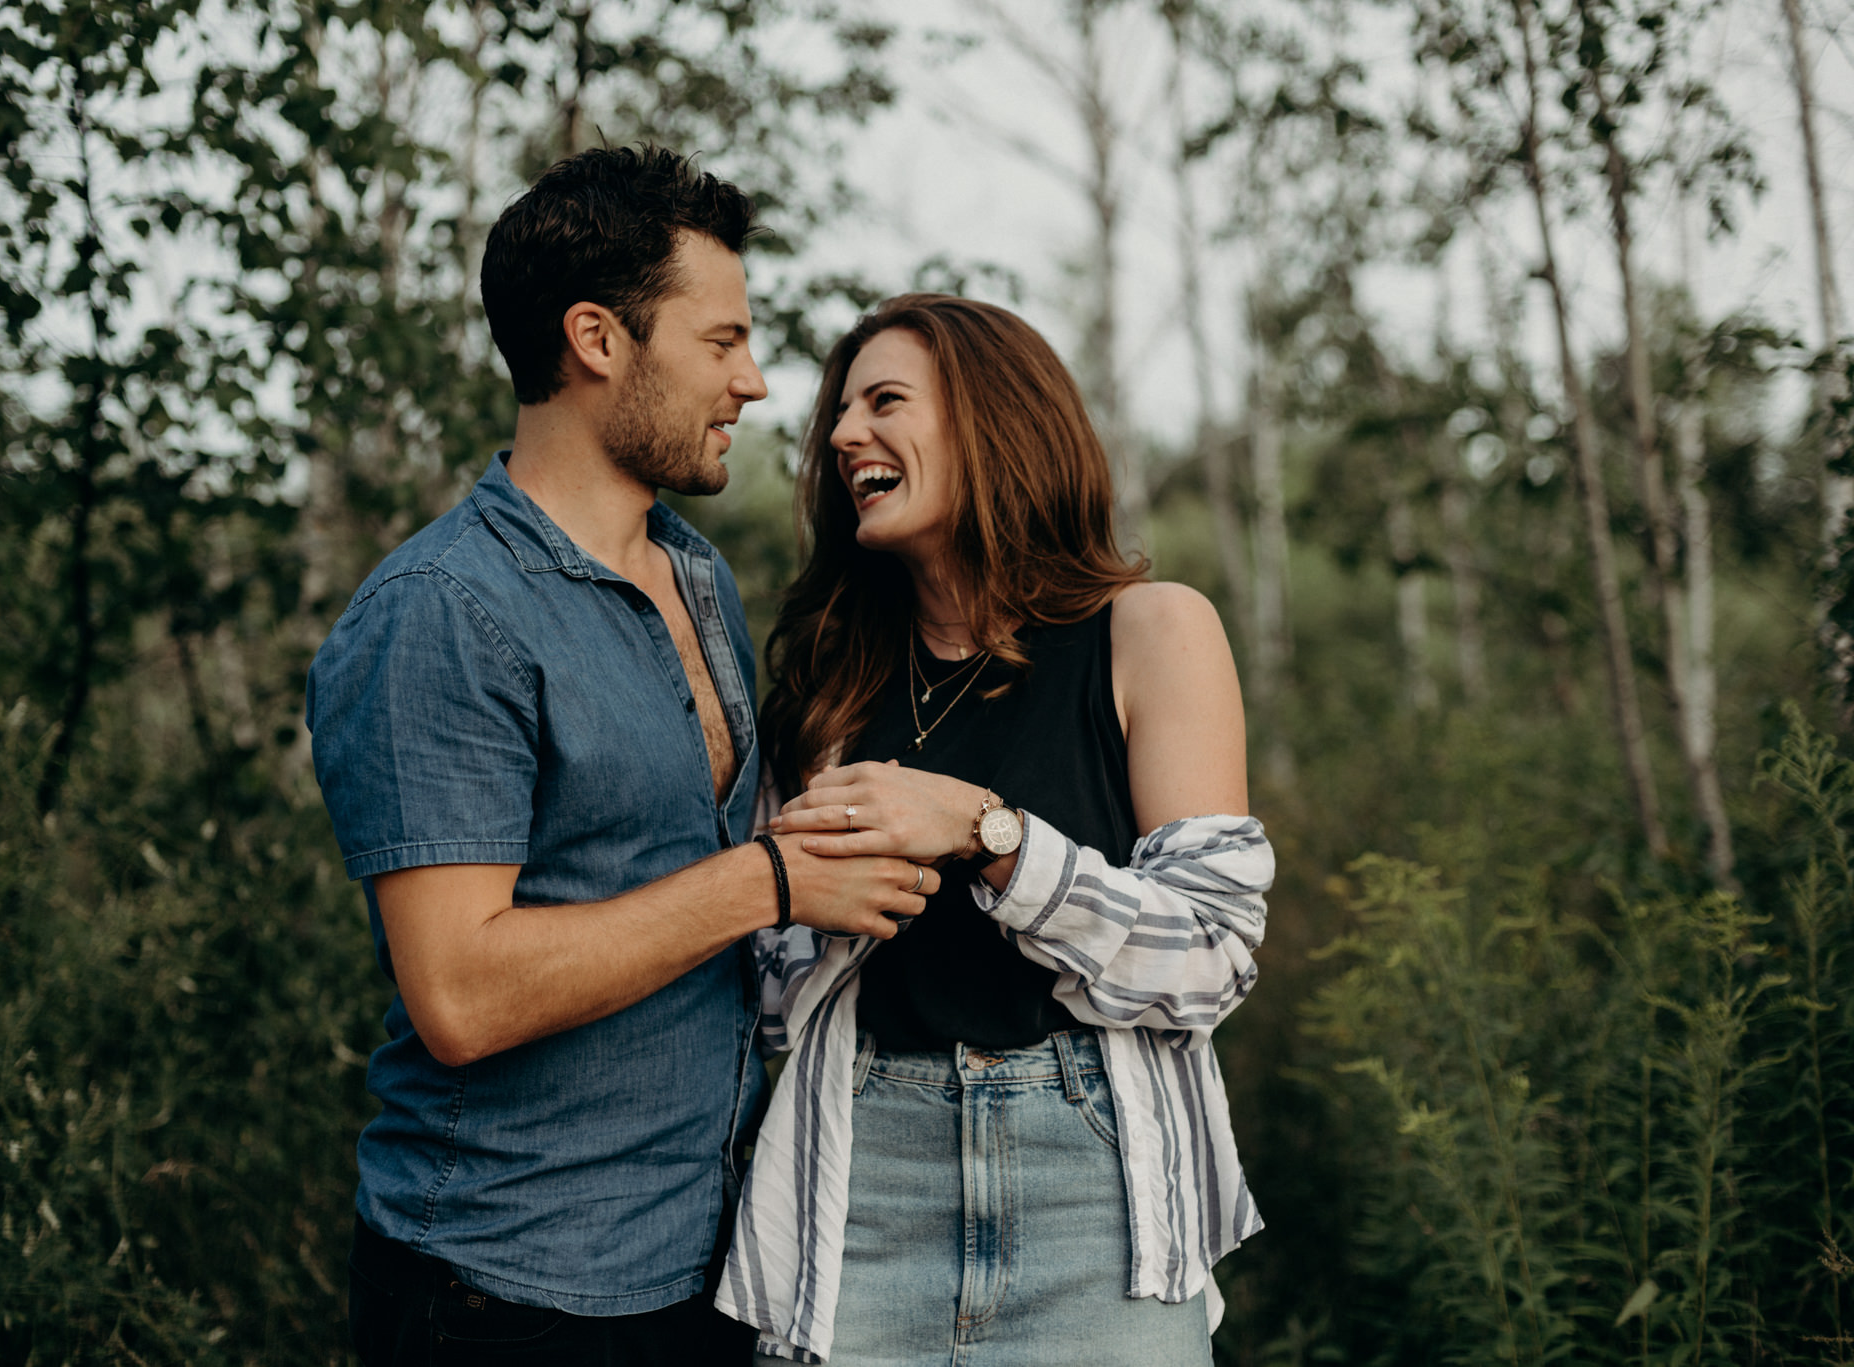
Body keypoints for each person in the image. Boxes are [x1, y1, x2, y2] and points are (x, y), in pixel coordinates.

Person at [305, 146, 935, 1367]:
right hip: (503, 1289)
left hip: (694, 1269)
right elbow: (461, 994)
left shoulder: (696, 574)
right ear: (597, 338)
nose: (752, 381)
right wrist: (768, 879)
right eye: (720, 341)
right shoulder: (443, 610)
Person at [713, 295, 1275, 1365]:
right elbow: (775, 989)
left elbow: (1208, 958)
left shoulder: (1150, 632)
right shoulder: (827, 686)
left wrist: (991, 833)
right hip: (859, 1181)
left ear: (994, 420)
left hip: (1095, 1188)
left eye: (883, 402)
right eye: (839, 412)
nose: (839, 435)